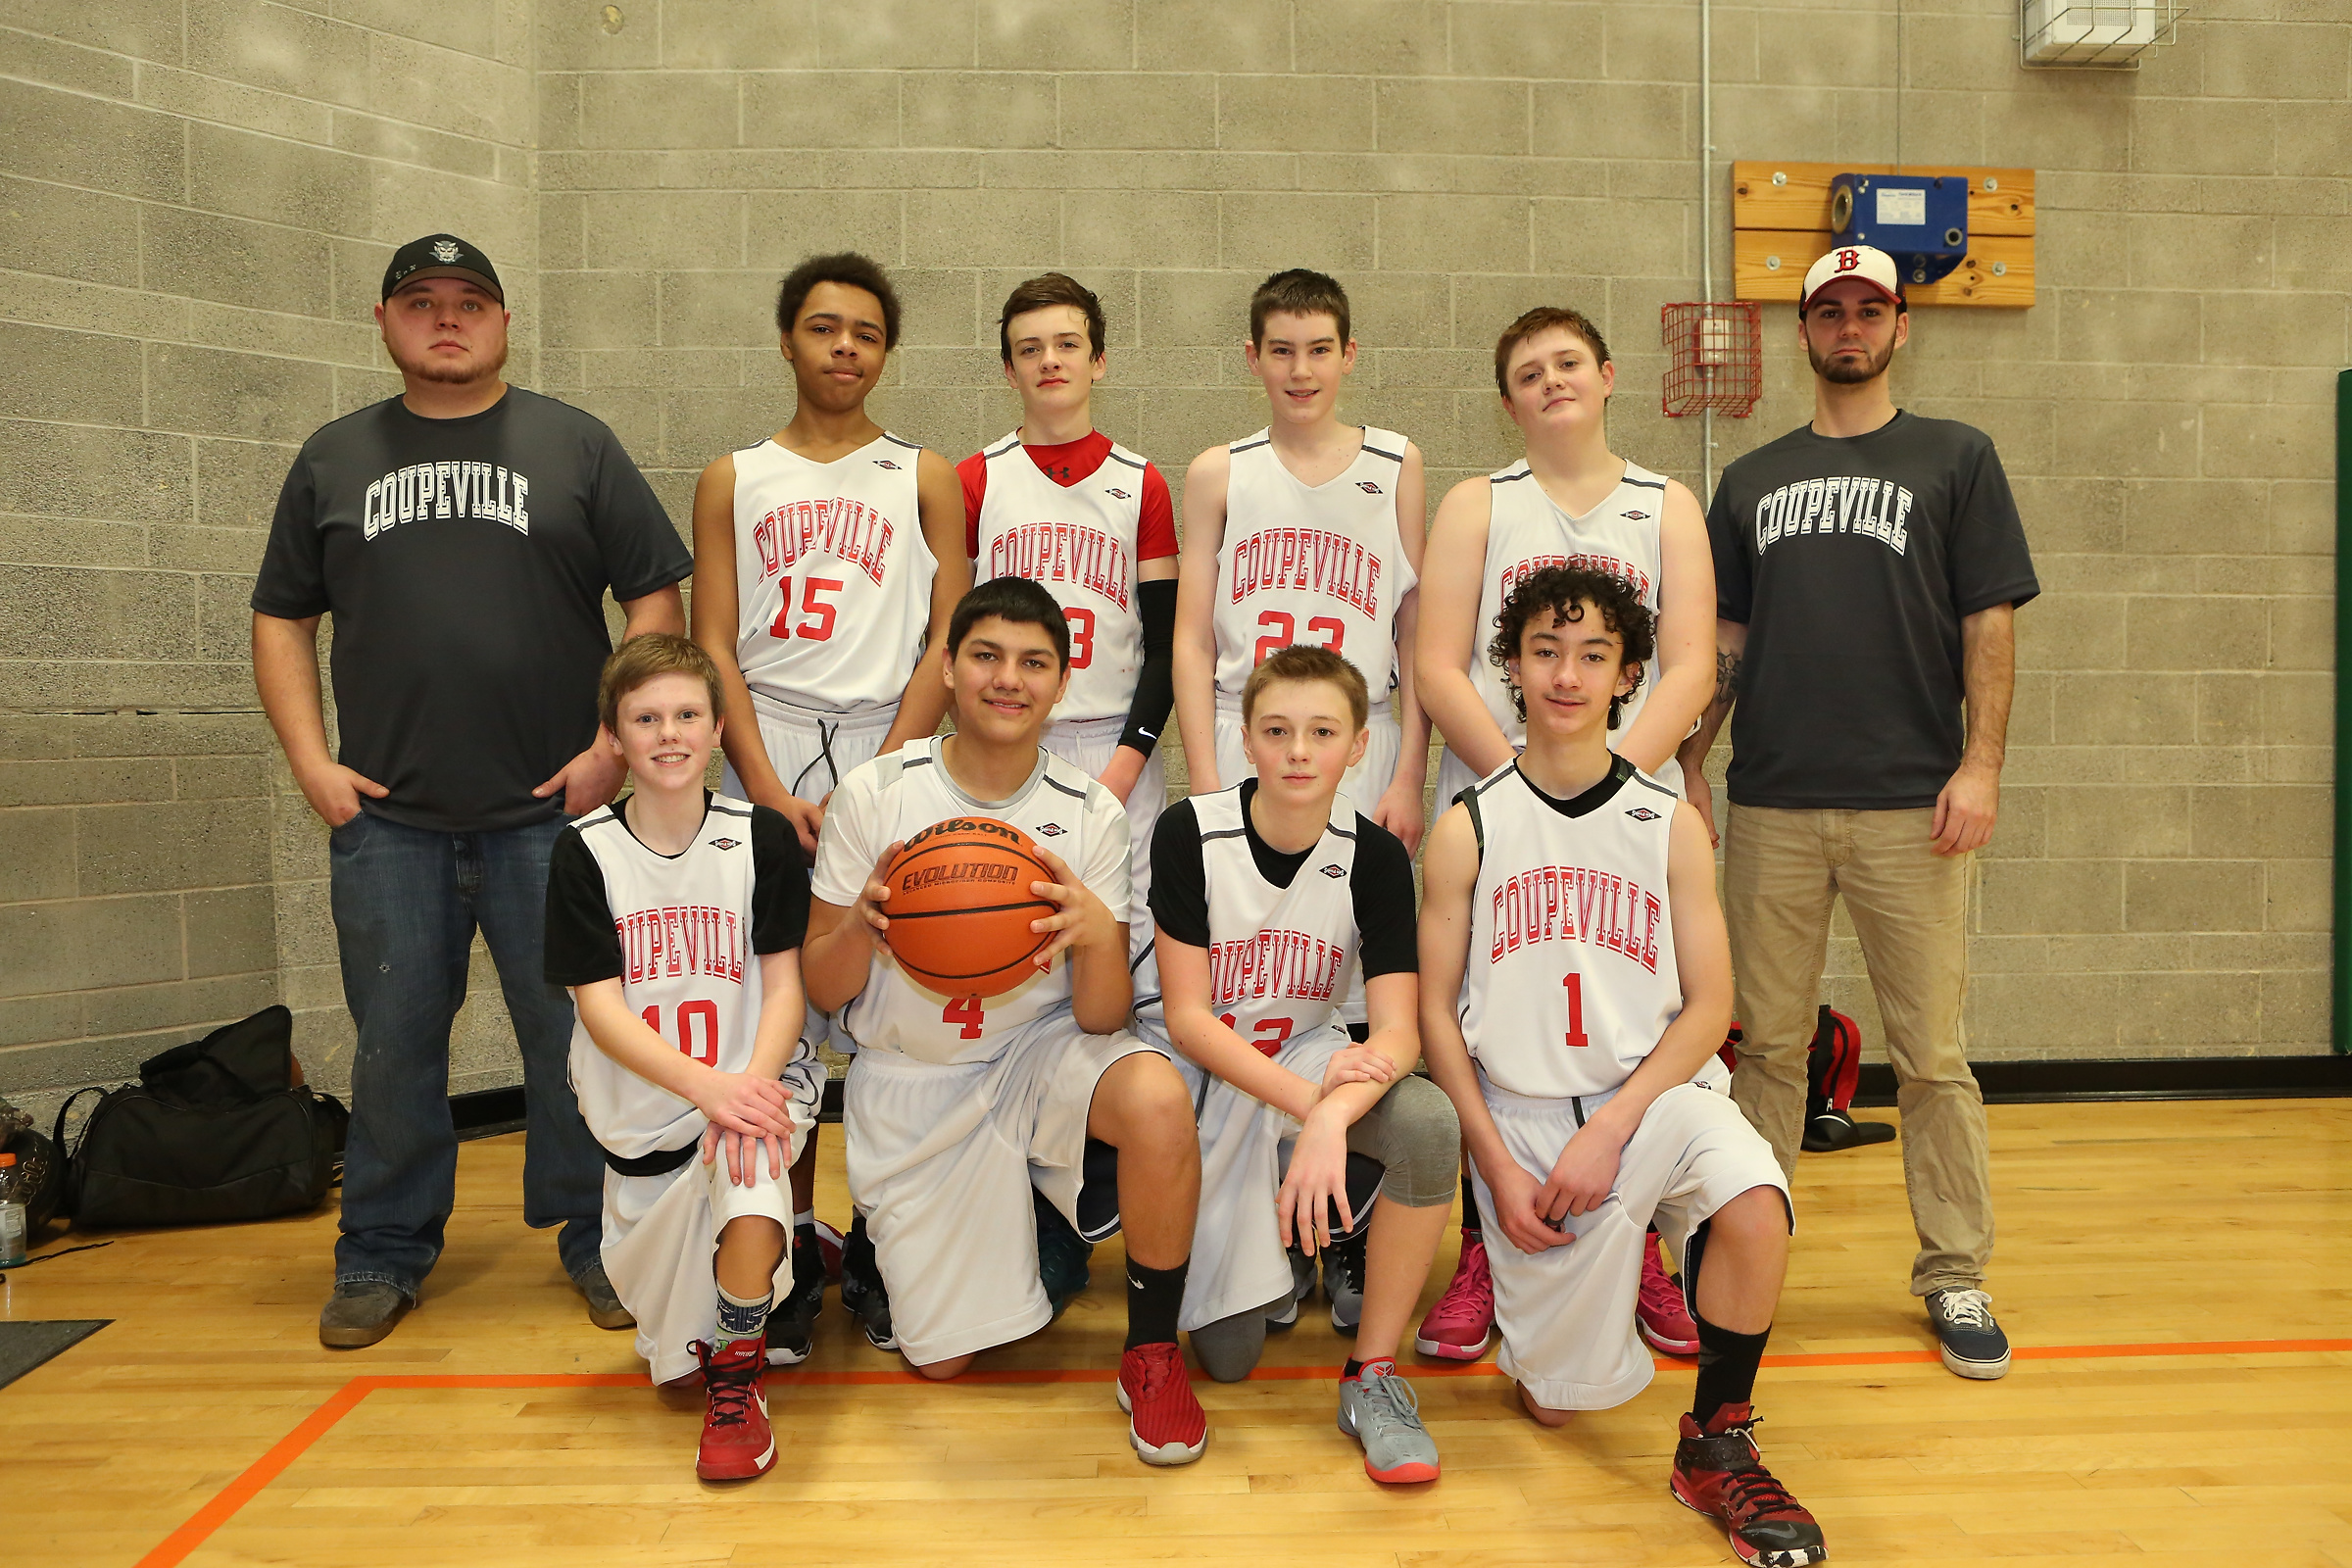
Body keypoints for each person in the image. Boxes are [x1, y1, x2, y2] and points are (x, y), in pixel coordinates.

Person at [251, 233, 689, 1349]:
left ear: (503, 321)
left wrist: (613, 744)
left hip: (555, 818)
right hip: (388, 823)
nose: (446, 319)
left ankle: (603, 1240)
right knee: (393, 1048)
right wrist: (311, 761)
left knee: (580, 1041)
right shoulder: (333, 457)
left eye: (469, 302)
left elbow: (654, 597)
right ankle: (381, 1251)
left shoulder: (574, 443)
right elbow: (281, 616)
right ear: (384, 322)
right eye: (421, 302)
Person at [1677, 244, 2037, 1382]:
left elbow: (1990, 622)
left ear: (1899, 326)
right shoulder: (1753, 478)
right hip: (1774, 802)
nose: (1848, 327)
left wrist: (1981, 766)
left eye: (1868, 310)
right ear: (1802, 332)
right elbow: (1727, 641)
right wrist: (1691, 762)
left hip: (1910, 806)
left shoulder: (1957, 458)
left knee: (1932, 1057)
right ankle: (1745, 1263)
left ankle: (1956, 1270)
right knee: (1767, 1052)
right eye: (1828, 311)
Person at [1420, 565, 1825, 1568]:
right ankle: (1581, 1301)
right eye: (1546, 652)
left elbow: (1711, 1007)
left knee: (1756, 1202)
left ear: (1628, 674)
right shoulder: (1469, 824)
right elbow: (1434, 1015)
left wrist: (1613, 1126)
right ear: (1513, 667)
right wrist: (1490, 1166)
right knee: (1556, 1404)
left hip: (1653, 1098)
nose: (1567, 675)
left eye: (1593, 654)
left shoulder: (1668, 821)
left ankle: (1718, 1441)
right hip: (1522, 1120)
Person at [801, 577, 1208, 1466]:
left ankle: (1151, 1353)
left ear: (1062, 683)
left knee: (1156, 1096)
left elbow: (1102, 1018)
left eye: (1033, 663)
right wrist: (861, 928)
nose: (1008, 679)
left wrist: (1097, 935)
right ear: (948, 667)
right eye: (986, 656)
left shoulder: (1090, 812)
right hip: (913, 1077)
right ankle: (1033, 1232)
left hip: (1037, 1054)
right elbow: (823, 989)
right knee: (942, 1361)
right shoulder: (875, 794)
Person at [1414, 305, 1720, 1368]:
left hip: (1626, 804)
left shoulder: (1666, 504)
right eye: (1529, 372)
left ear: (1608, 374)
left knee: (1635, 1016)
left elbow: (1690, 664)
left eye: (1569, 363)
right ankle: (1482, 1246)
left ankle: (1638, 1240)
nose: (1552, 381)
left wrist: (1608, 780)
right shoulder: (1478, 503)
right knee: (1490, 1026)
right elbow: (1439, 664)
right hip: (1499, 797)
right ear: (1508, 401)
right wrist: (1527, 785)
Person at [688, 251, 973, 1339]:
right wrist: (764, 786)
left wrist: (889, 768)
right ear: (787, 341)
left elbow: (948, 636)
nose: (844, 346)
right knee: (782, 1017)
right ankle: (799, 1243)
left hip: (890, 740)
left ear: (885, 351)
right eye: (823, 327)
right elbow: (713, 641)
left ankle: (886, 1244)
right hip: (764, 738)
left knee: (898, 1017)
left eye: (865, 331)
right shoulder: (734, 476)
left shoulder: (923, 473)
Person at [1151, 645, 1458, 1483]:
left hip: (1310, 1049)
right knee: (1228, 1358)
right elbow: (1187, 1019)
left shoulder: (1375, 854)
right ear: (1246, 739)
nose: (1297, 751)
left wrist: (1329, 1114)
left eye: (1322, 732)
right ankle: (1280, 1244)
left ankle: (1372, 1374)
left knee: (1429, 1125)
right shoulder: (1189, 832)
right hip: (1210, 1067)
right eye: (1277, 730)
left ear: (1358, 746)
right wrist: (1309, 1104)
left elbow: (1398, 1032)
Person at [542, 635, 824, 1481]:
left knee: (753, 1160)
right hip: (647, 1117)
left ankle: (739, 1382)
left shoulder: (761, 837)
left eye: (687, 715)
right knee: (670, 1366)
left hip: (748, 1084)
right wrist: (707, 1089)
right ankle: (735, 1314)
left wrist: (748, 1089)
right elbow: (599, 1008)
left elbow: (785, 988)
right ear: (614, 736)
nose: (669, 734)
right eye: (646, 719)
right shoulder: (585, 850)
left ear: (718, 728)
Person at [961, 272, 1179, 973]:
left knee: (1127, 946)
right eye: (1030, 349)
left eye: (1067, 344)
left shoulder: (1140, 482)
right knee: (1007, 934)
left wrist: (1127, 763)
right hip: (1006, 740)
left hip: (1114, 743)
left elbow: (1166, 644)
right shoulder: (976, 479)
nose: (1049, 360)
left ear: (1098, 360)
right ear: (1009, 370)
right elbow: (947, 638)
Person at [1172, 268, 1430, 852]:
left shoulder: (1397, 465)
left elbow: (1414, 632)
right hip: (1242, 732)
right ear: (1253, 357)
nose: (1301, 371)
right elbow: (1191, 640)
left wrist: (1410, 776)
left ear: (1348, 354)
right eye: (1282, 351)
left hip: (1359, 736)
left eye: (1319, 350)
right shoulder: (1218, 472)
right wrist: (1204, 781)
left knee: (1351, 909)